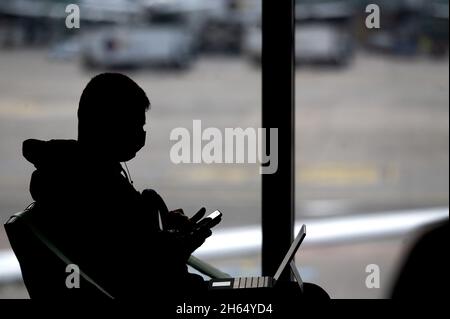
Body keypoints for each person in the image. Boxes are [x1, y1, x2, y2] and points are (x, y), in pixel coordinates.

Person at [21, 73, 219, 299]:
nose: (141, 134)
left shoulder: (70, 178)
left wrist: (160, 227)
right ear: (110, 124)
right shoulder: (100, 189)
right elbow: (141, 274)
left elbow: (126, 245)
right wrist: (182, 244)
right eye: (136, 124)